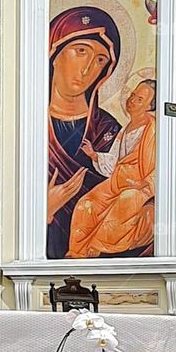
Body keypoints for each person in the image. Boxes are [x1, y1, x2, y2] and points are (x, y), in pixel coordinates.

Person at [46, 6, 121, 259]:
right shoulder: (27, 126)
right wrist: (43, 210)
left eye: (100, 60)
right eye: (81, 51)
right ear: (55, 53)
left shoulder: (108, 130)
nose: (89, 67)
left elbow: (124, 195)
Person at [68, 78, 156, 258]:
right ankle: (76, 252)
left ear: (149, 106)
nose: (132, 100)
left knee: (126, 200)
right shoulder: (125, 129)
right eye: (132, 95)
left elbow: (160, 166)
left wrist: (144, 183)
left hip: (140, 186)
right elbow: (115, 160)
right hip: (117, 181)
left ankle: (98, 246)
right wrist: (94, 155)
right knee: (86, 203)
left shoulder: (154, 129)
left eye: (139, 99)